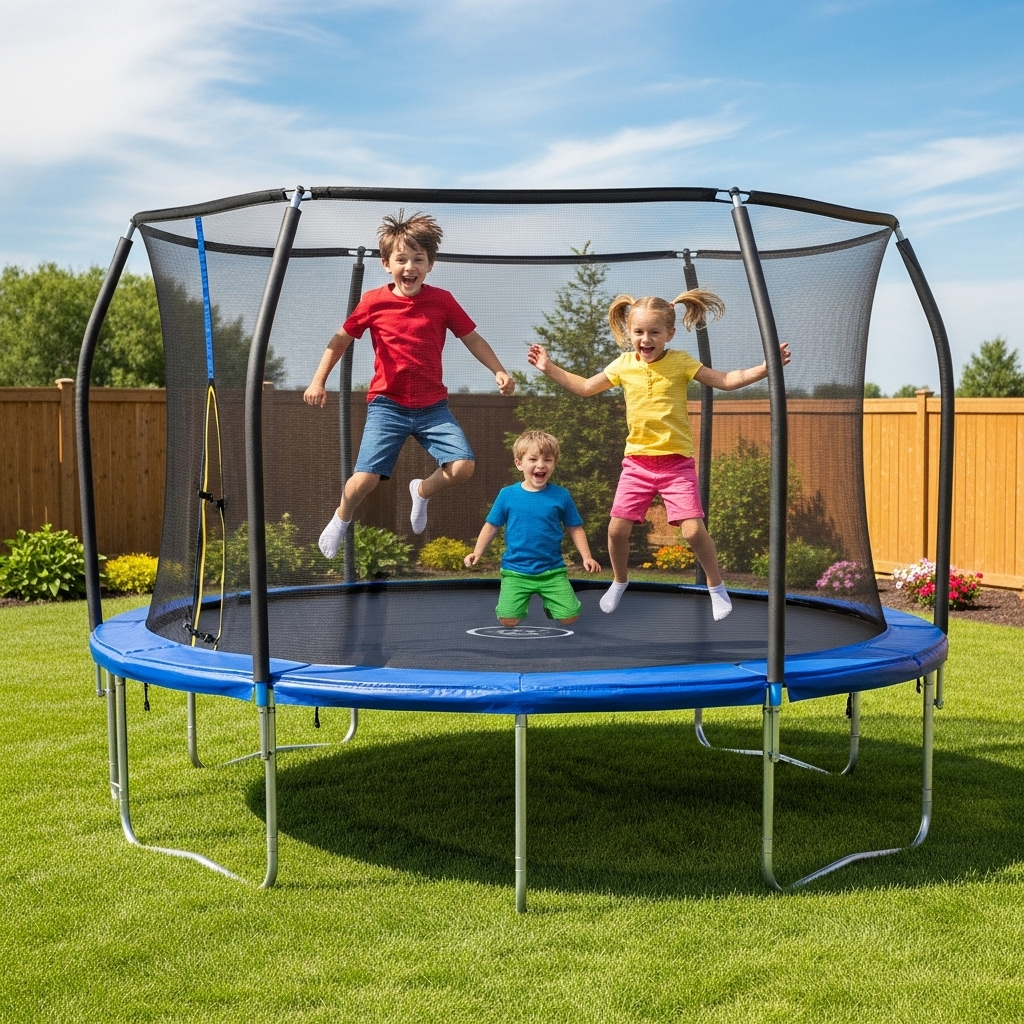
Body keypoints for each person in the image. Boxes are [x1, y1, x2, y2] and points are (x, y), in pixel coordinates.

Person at [527, 290, 790, 621]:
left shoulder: (680, 362)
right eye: (638, 332)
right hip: (636, 464)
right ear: (629, 333)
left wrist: (765, 368)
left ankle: (716, 586)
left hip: (676, 465)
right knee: (616, 531)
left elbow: (724, 380)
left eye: (654, 332)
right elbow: (585, 387)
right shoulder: (624, 365)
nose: (645, 339)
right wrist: (548, 367)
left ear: (670, 334)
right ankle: (620, 580)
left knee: (692, 531)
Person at [304, 211, 515, 557]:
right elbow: (340, 340)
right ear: (387, 264)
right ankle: (342, 517)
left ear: (430, 264)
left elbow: (472, 338)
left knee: (463, 466)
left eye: (418, 259)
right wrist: (318, 381)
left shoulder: (442, 301)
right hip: (387, 405)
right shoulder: (373, 302)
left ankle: (421, 491)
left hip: (433, 407)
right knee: (365, 479)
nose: (409, 267)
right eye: (401, 259)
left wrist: (499, 370)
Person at [464, 429, 601, 626]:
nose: (541, 465)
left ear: (554, 464)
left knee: (570, 617)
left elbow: (575, 528)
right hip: (515, 572)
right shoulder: (507, 495)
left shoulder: (561, 496)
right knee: (508, 620)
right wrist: (477, 552)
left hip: (552, 572)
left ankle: (551, 605)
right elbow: (492, 525)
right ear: (519, 464)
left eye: (548, 460)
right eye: (533, 459)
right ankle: (515, 606)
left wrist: (586, 556)